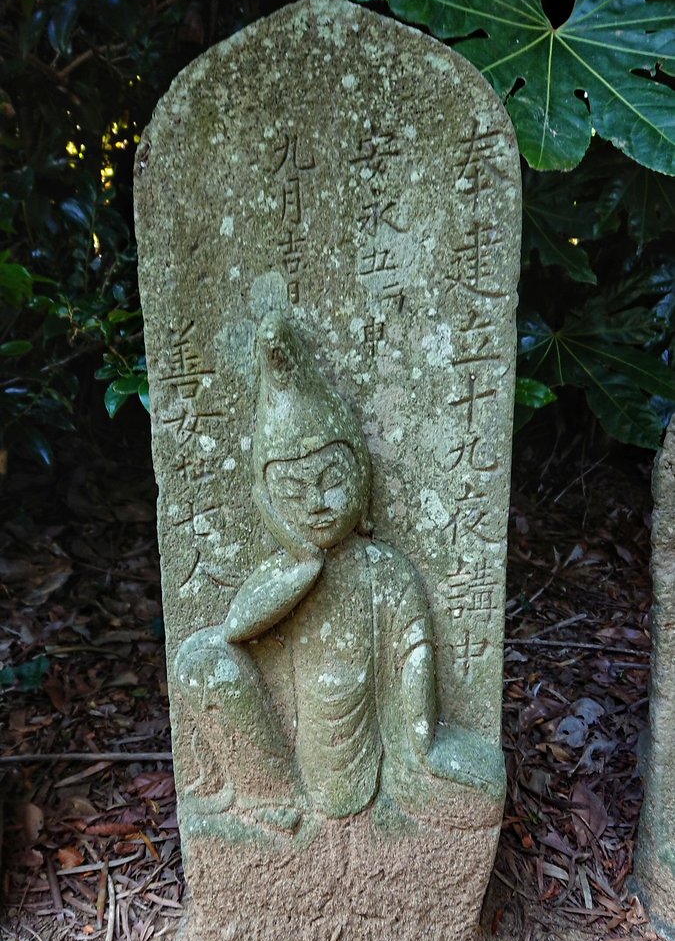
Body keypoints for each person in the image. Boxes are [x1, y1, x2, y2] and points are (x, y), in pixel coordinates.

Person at [175, 312, 502, 835]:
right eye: (292, 491)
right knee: (200, 661)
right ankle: (271, 796)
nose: (317, 503)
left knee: (483, 791)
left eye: (331, 480)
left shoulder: (386, 571)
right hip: (294, 760)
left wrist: (423, 740)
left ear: (361, 480)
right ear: (269, 502)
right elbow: (236, 628)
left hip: (377, 755)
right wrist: (303, 562)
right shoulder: (283, 574)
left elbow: (414, 655)